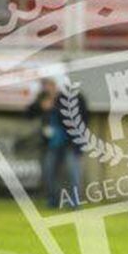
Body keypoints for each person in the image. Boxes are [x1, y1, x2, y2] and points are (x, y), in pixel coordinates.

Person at [27, 77, 87, 210]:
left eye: (50, 84)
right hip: (52, 144)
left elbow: (76, 118)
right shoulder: (43, 97)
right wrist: (41, 106)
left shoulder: (73, 96)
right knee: (48, 173)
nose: (47, 87)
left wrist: (54, 107)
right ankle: (54, 201)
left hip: (71, 143)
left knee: (72, 173)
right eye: (45, 84)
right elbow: (29, 113)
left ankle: (74, 204)